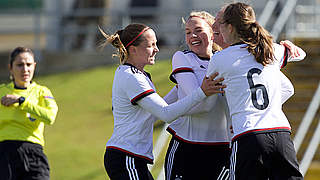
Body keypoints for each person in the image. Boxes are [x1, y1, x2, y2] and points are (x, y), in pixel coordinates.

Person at [99, 23, 225, 180]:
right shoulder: (132, 77)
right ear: (133, 49)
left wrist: (183, 86)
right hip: (126, 157)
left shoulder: (139, 74)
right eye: (151, 45)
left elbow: (156, 112)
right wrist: (201, 92)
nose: (157, 49)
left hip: (131, 157)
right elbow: (166, 114)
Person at [206, 2, 306, 180]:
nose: (218, 30)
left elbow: (209, 90)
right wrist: (290, 47)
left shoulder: (220, 58)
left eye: (220, 25)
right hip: (281, 133)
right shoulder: (271, 49)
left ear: (229, 27)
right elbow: (300, 54)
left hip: (248, 135)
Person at [164, 11, 231, 180]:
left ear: (212, 33)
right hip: (186, 148)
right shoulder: (182, 58)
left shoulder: (225, 61)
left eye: (199, 30)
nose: (192, 36)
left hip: (222, 149)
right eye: (187, 32)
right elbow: (202, 106)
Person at [0, 47, 58, 180]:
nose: (25, 69)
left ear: (34, 66)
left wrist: (22, 101)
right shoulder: (1, 91)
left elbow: (50, 117)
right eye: (19, 65)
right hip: (5, 154)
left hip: (34, 154)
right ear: (10, 67)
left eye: (28, 64)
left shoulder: (42, 92)